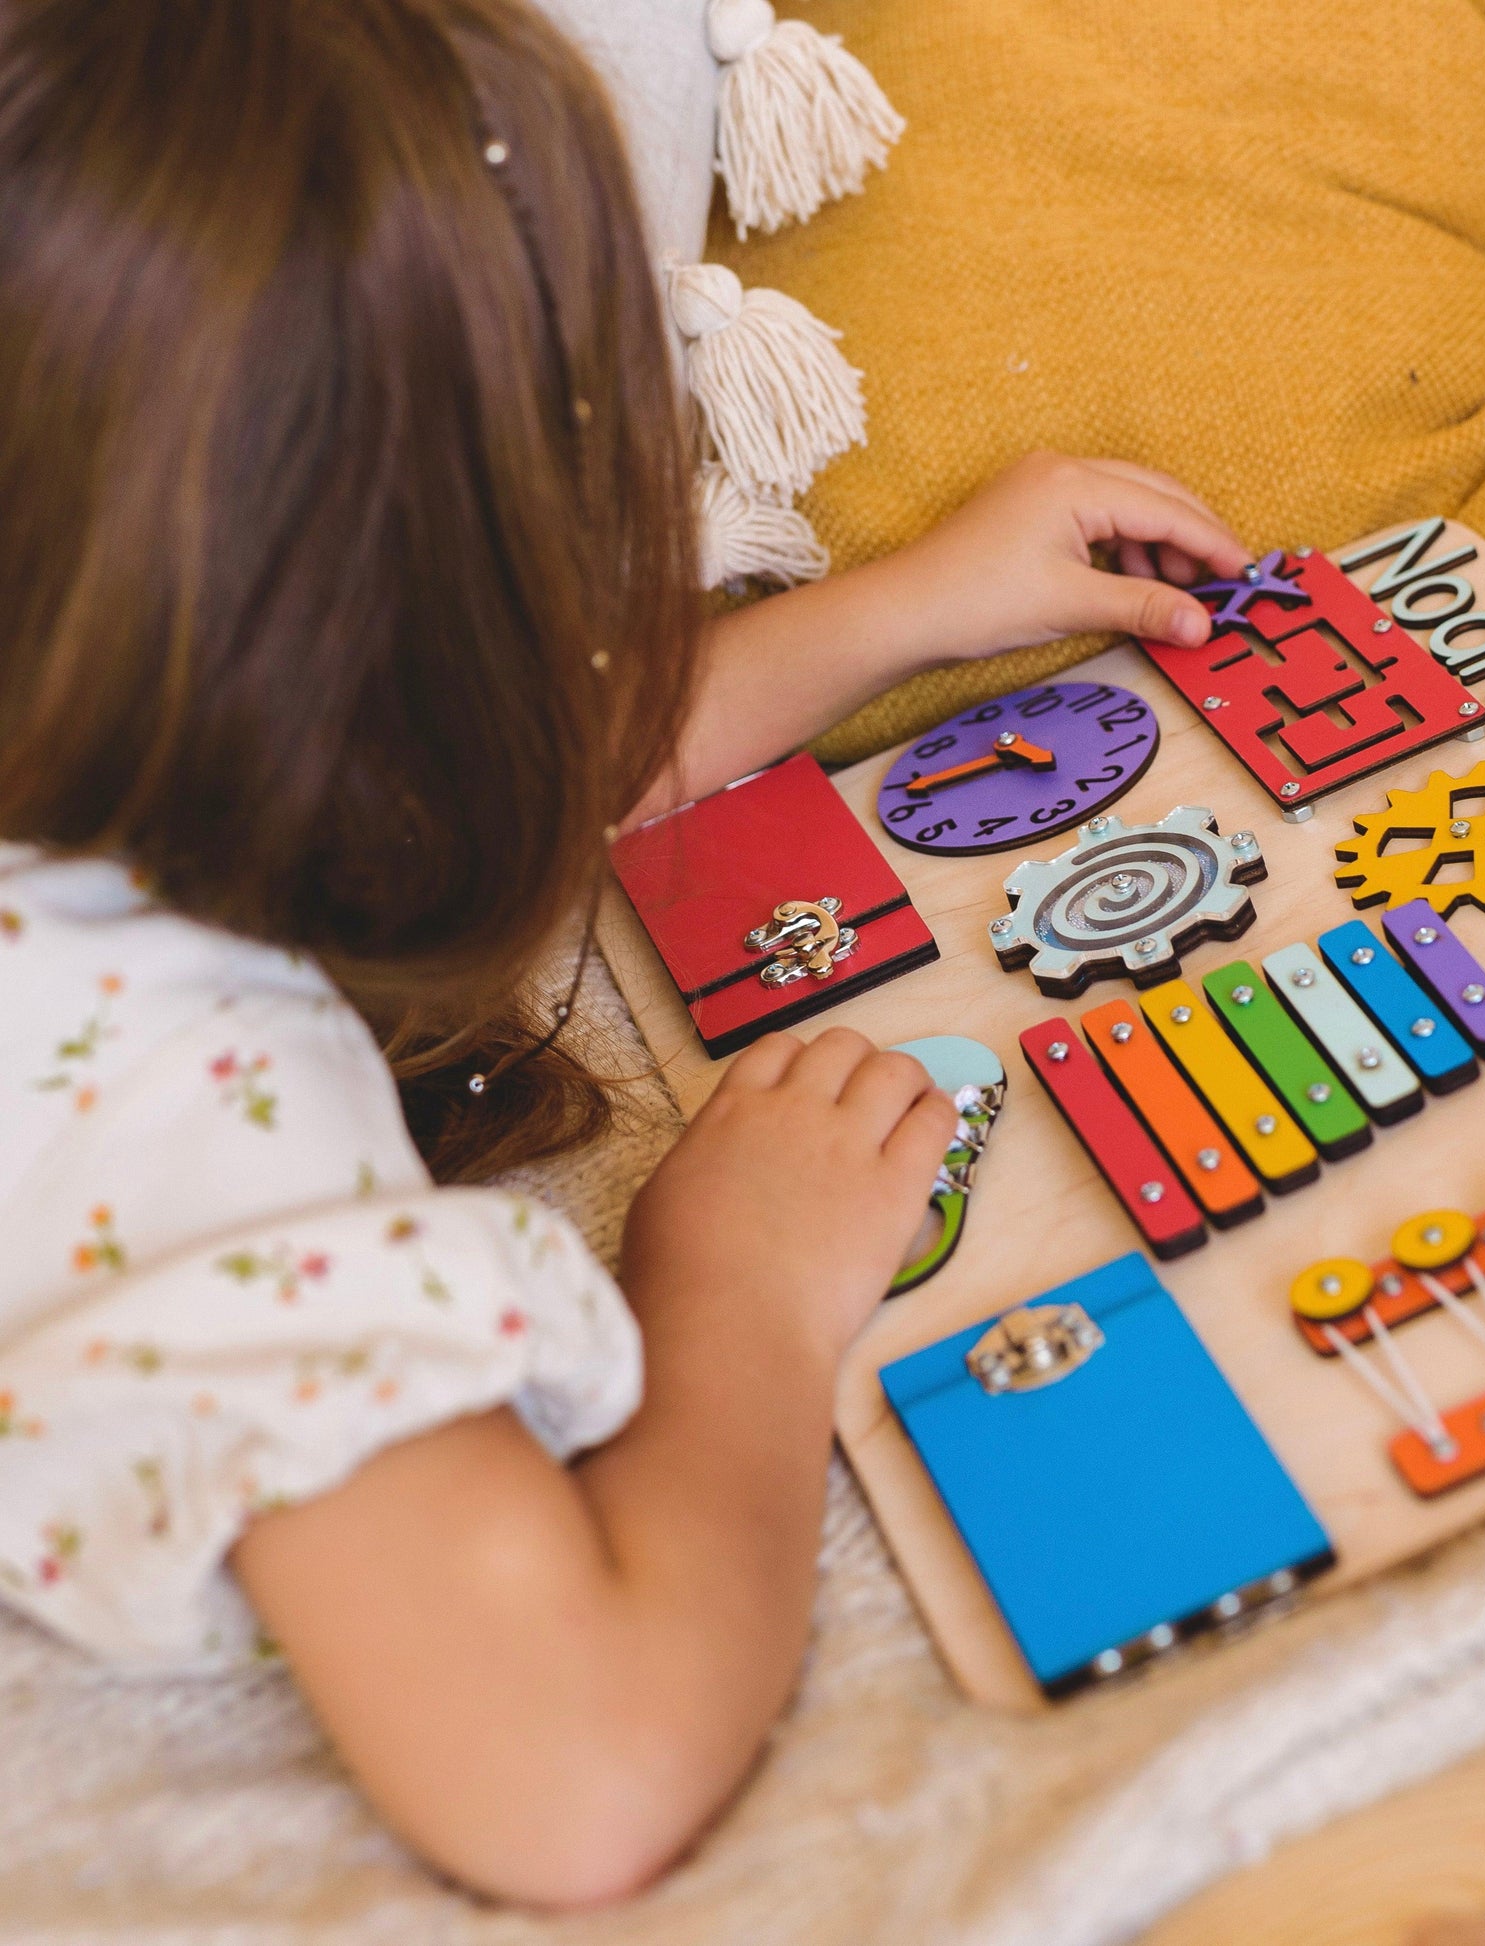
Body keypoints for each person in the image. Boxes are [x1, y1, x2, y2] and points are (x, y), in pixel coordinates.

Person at [0, 0, 1247, 1909]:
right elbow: (579, 1774)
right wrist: (732, 1288)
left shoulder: (95, 670)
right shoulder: (178, 1095)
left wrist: (896, 610)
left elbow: (405, 759)